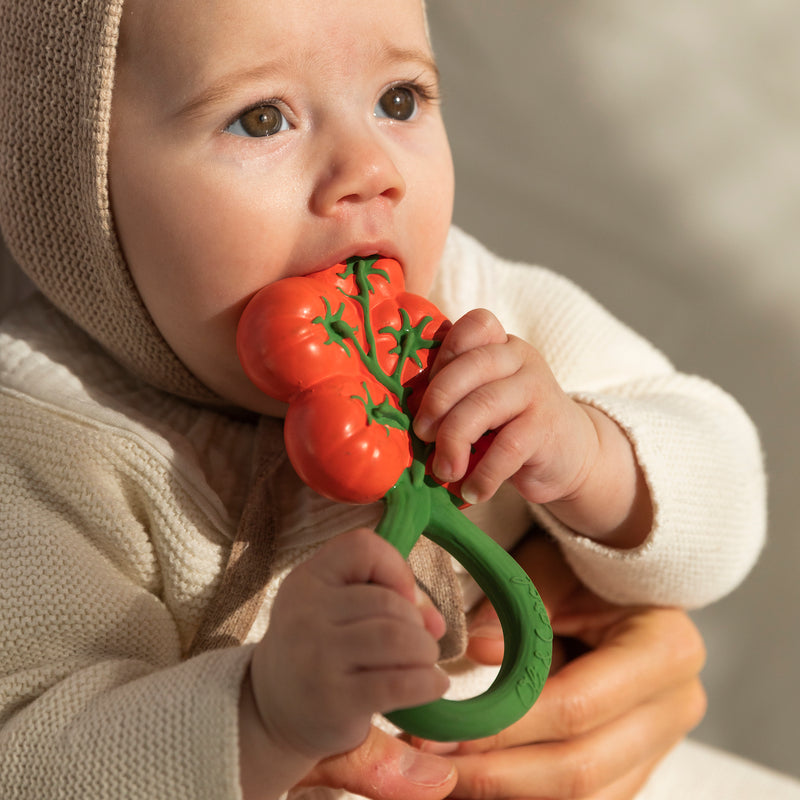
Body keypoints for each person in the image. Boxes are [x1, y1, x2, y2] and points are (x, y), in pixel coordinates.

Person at [0, 0, 769, 798]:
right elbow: (29, 756)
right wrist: (258, 719)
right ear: (72, 188)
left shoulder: (479, 313)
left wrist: (590, 457)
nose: (370, 170)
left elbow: (728, 502)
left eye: (398, 99)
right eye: (262, 118)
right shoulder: (43, 437)